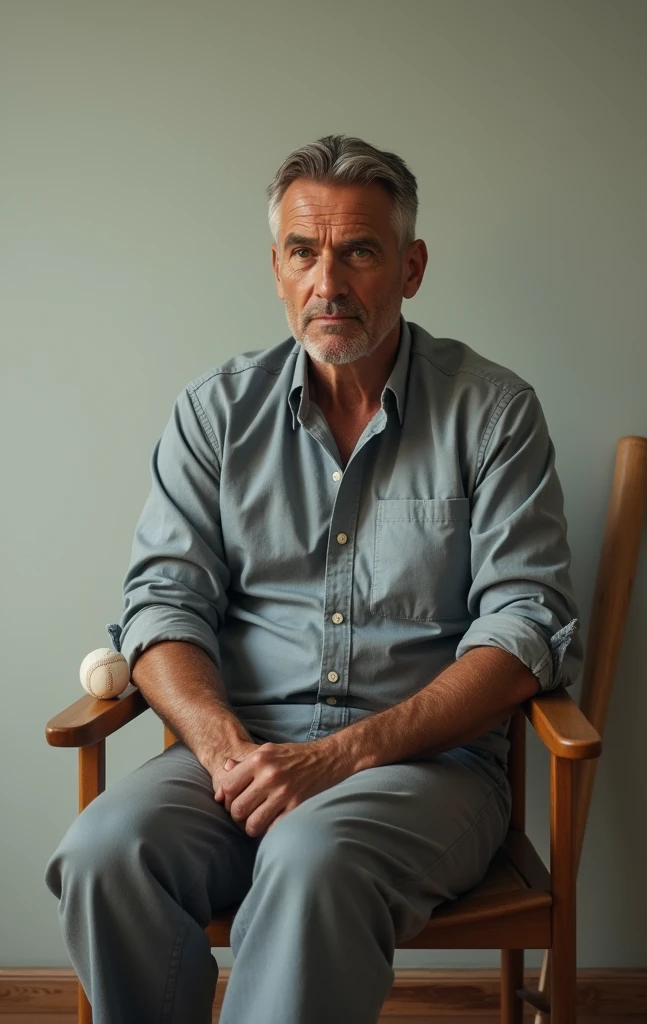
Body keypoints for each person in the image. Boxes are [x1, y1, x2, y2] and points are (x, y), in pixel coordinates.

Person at [45, 133, 582, 1024]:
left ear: (410, 268)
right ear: (277, 267)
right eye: (304, 252)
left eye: (359, 252)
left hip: (427, 769)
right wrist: (228, 753)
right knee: (104, 850)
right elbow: (162, 605)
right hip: (240, 754)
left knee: (310, 856)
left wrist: (338, 758)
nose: (328, 283)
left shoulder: (494, 414)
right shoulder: (214, 413)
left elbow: (525, 628)